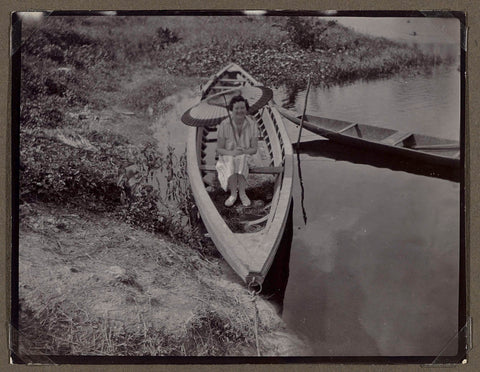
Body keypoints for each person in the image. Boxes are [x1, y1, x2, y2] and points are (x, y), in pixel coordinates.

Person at [216, 95, 259, 207]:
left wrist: (244, 150)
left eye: (242, 108)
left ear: (246, 109)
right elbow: (219, 149)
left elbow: (254, 149)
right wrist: (232, 152)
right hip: (227, 156)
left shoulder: (252, 124)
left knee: (242, 158)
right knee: (232, 159)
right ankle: (233, 194)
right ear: (231, 109)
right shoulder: (224, 124)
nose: (240, 111)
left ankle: (242, 193)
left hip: (246, 155)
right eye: (236, 108)